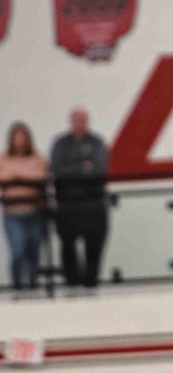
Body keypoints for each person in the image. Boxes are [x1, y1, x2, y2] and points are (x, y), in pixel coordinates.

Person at [50, 107, 109, 288]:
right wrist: (83, 167)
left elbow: (99, 169)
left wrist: (73, 170)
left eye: (82, 119)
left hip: (94, 205)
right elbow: (57, 171)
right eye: (76, 119)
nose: (79, 123)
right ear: (71, 121)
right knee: (68, 247)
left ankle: (91, 284)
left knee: (94, 247)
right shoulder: (60, 143)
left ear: (87, 121)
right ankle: (72, 284)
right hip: (67, 205)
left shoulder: (97, 142)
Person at [0, 122, 48, 290]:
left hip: (34, 211)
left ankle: (33, 284)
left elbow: (40, 178)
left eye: (22, 137)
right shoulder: (3, 158)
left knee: (33, 251)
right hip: (12, 213)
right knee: (18, 250)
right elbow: (3, 179)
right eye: (16, 137)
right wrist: (24, 178)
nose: (19, 141)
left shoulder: (37, 158)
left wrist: (16, 178)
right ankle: (17, 285)